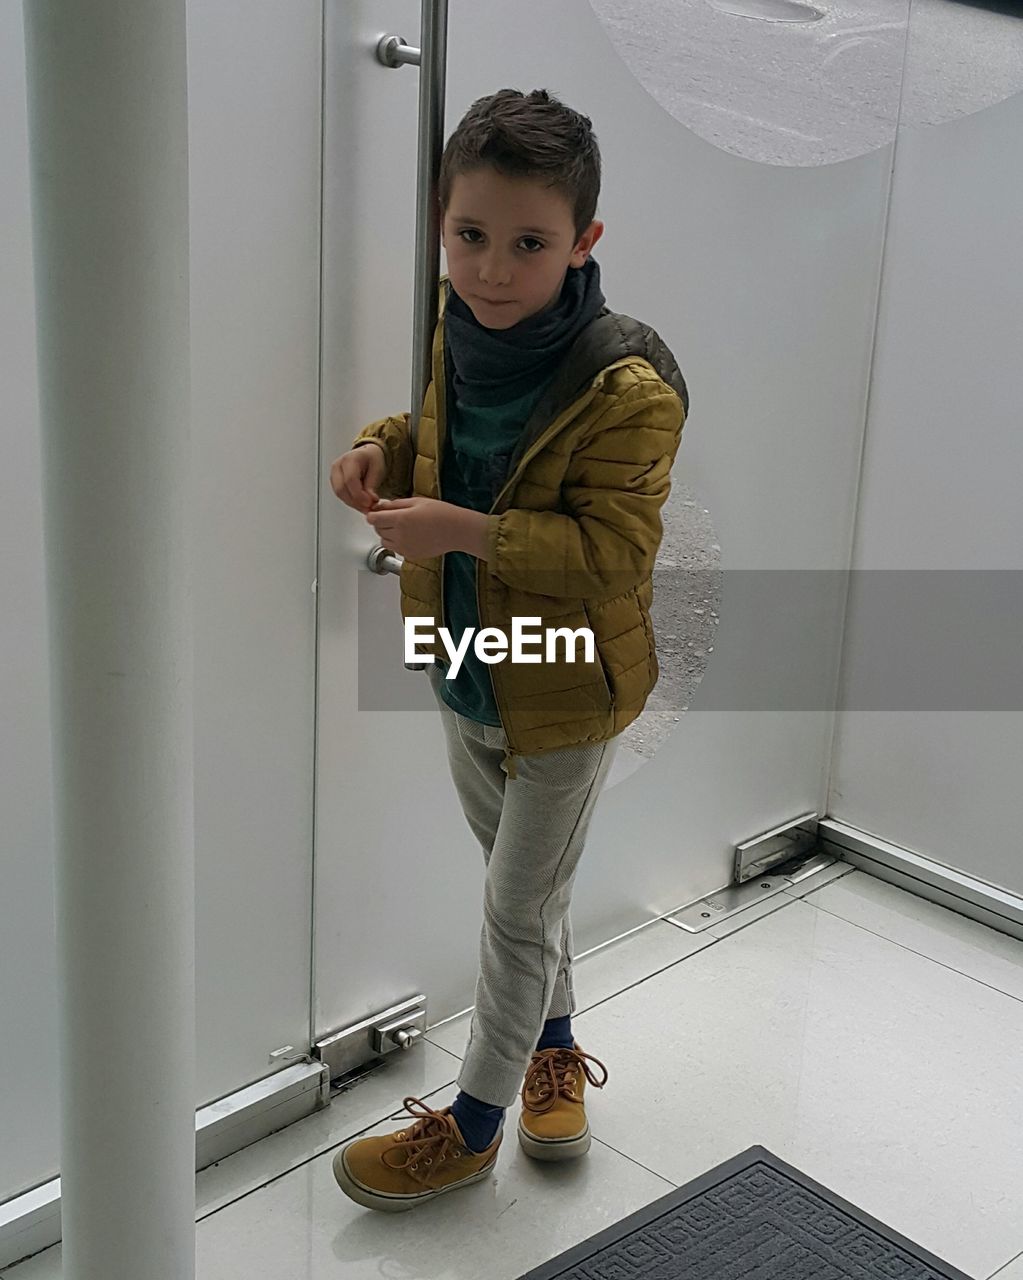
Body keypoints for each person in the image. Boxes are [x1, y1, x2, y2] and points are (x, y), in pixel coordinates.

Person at [328, 87, 688, 1213]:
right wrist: (375, 449)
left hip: (566, 683)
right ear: (443, 222)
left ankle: (474, 1123)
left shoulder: (628, 388)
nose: (490, 268)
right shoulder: (456, 324)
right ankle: (553, 1045)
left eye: (529, 243)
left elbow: (611, 555)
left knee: (513, 909)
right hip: (468, 662)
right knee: (521, 896)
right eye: (468, 235)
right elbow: (442, 430)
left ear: (584, 241)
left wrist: (463, 532)